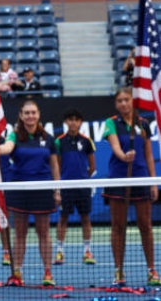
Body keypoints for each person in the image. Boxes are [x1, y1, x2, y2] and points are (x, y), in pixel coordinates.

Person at [0, 99, 61, 287]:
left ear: (38, 114)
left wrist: (57, 190)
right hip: (19, 189)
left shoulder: (48, 138)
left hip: (42, 190)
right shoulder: (15, 135)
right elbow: (7, 148)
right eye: (27, 113)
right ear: (21, 115)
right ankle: (17, 272)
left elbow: (55, 166)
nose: (30, 116)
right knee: (20, 233)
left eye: (33, 112)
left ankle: (47, 272)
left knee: (43, 232)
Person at [102, 87, 160, 287]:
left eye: (127, 100)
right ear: (116, 104)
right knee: (118, 227)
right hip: (119, 179)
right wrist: (123, 156)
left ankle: (152, 270)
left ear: (132, 102)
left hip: (140, 179)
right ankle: (118, 271)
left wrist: (153, 181)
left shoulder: (143, 124)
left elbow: (149, 155)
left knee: (145, 225)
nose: (123, 104)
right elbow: (116, 147)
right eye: (120, 101)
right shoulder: (111, 123)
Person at [53, 107, 97, 266]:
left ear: (80, 122)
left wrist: (83, 178)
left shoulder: (87, 141)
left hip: (83, 187)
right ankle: (59, 251)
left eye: (76, 119)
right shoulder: (59, 141)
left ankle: (87, 251)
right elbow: (57, 166)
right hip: (66, 187)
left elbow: (92, 167)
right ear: (66, 122)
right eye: (70, 119)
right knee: (63, 218)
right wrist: (60, 184)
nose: (73, 122)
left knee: (85, 218)